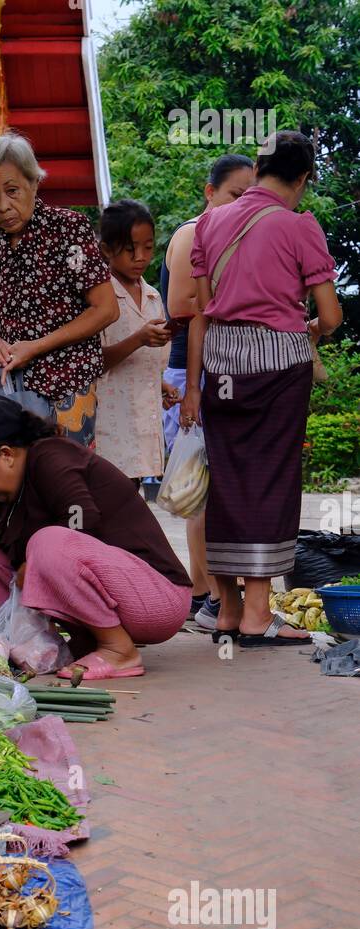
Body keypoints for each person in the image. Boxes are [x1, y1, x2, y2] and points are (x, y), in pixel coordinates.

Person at [183, 130, 341, 645]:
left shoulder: (209, 221)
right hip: (277, 364)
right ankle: (256, 614)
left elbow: (202, 312)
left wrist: (192, 387)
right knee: (270, 480)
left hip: (222, 363)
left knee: (226, 479)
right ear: (302, 178)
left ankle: (226, 610)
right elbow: (331, 316)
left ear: (258, 166)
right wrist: (310, 327)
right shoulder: (299, 227)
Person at [0, 398, 191, 680]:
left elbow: (81, 519)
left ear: (6, 454)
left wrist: (31, 564)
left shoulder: (51, 456)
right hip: (127, 599)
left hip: (159, 600)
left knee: (47, 543)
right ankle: (32, 644)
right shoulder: (10, 498)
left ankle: (119, 651)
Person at [0, 132, 118, 444]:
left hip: (67, 388)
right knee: (16, 486)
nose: (3, 206)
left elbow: (106, 309)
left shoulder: (68, 230)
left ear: (34, 183)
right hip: (12, 391)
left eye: (12, 191)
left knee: (65, 481)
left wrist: (35, 346)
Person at [161, 154, 255, 630]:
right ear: (209, 191)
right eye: (237, 194)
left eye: (252, 195)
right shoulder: (191, 234)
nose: (245, 204)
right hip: (187, 379)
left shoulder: (236, 237)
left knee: (219, 492)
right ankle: (209, 596)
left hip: (221, 371)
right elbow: (180, 304)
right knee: (199, 493)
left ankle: (211, 595)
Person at [94, 199, 174, 483]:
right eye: (130, 249)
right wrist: (138, 339)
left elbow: (148, 360)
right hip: (110, 427)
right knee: (112, 501)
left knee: (132, 497)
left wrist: (160, 384)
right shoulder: (97, 297)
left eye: (148, 248)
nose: (140, 257)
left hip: (142, 422)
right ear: (106, 250)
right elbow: (91, 361)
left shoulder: (153, 296)